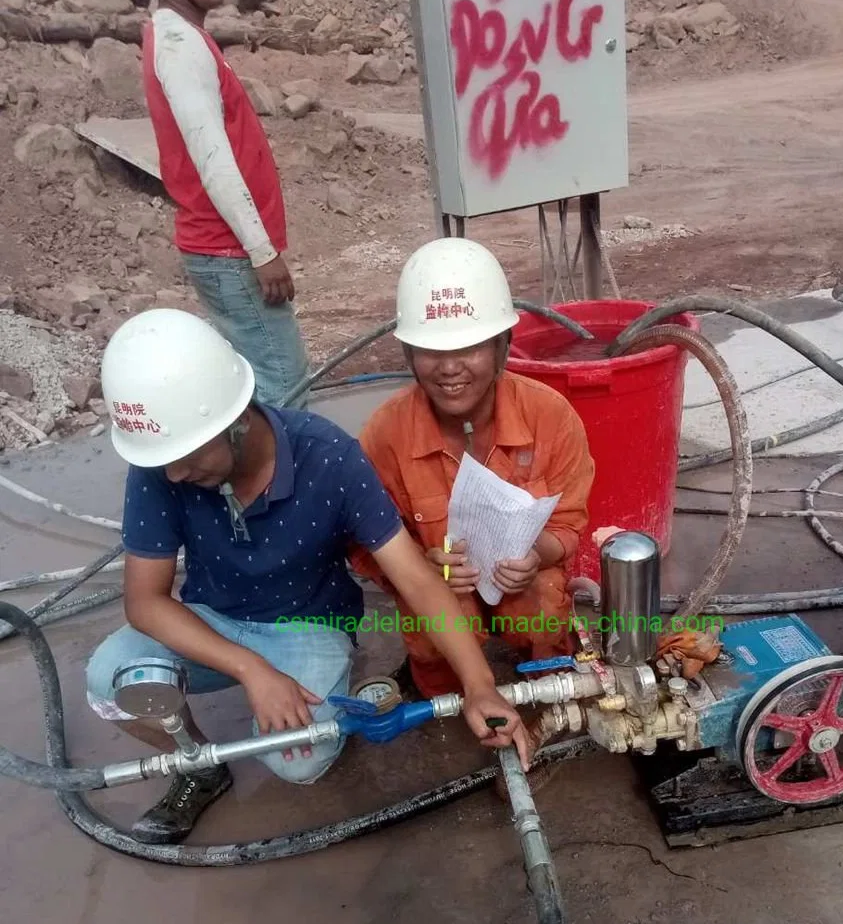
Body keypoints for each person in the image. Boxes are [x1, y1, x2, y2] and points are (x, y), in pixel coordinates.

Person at [85, 309, 526, 845]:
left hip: (309, 625)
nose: (175, 475)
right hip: (214, 621)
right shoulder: (163, 464)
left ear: (238, 419)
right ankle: (197, 763)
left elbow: (417, 578)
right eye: (165, 462)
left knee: (299, 763)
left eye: (185, 457)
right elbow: (145, 603)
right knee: (109, 681)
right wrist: (252, 672)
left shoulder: (328, 455)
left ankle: (298, 695)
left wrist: (480, 687)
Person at [352, 238, 595, 755]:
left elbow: (571, 521)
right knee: (432, 618)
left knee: (542, 602)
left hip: (521, 581)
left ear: (505, 344)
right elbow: (361, 547)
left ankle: (547, 685)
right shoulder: (384, 435)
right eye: (430, 350)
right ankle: (441, 689)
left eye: (470, 347)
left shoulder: (549, 416)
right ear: (408, 353)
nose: (449, 367)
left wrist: (537, 556)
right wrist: (423, 564)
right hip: (437, 587)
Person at [131, 0, 310, 410]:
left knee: (253, 392)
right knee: (283, 392)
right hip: (227, 251)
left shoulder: (186, 38)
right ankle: (275, 482)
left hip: (223, 251)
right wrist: (262, 251)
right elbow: (213, 159)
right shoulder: (178, 44)